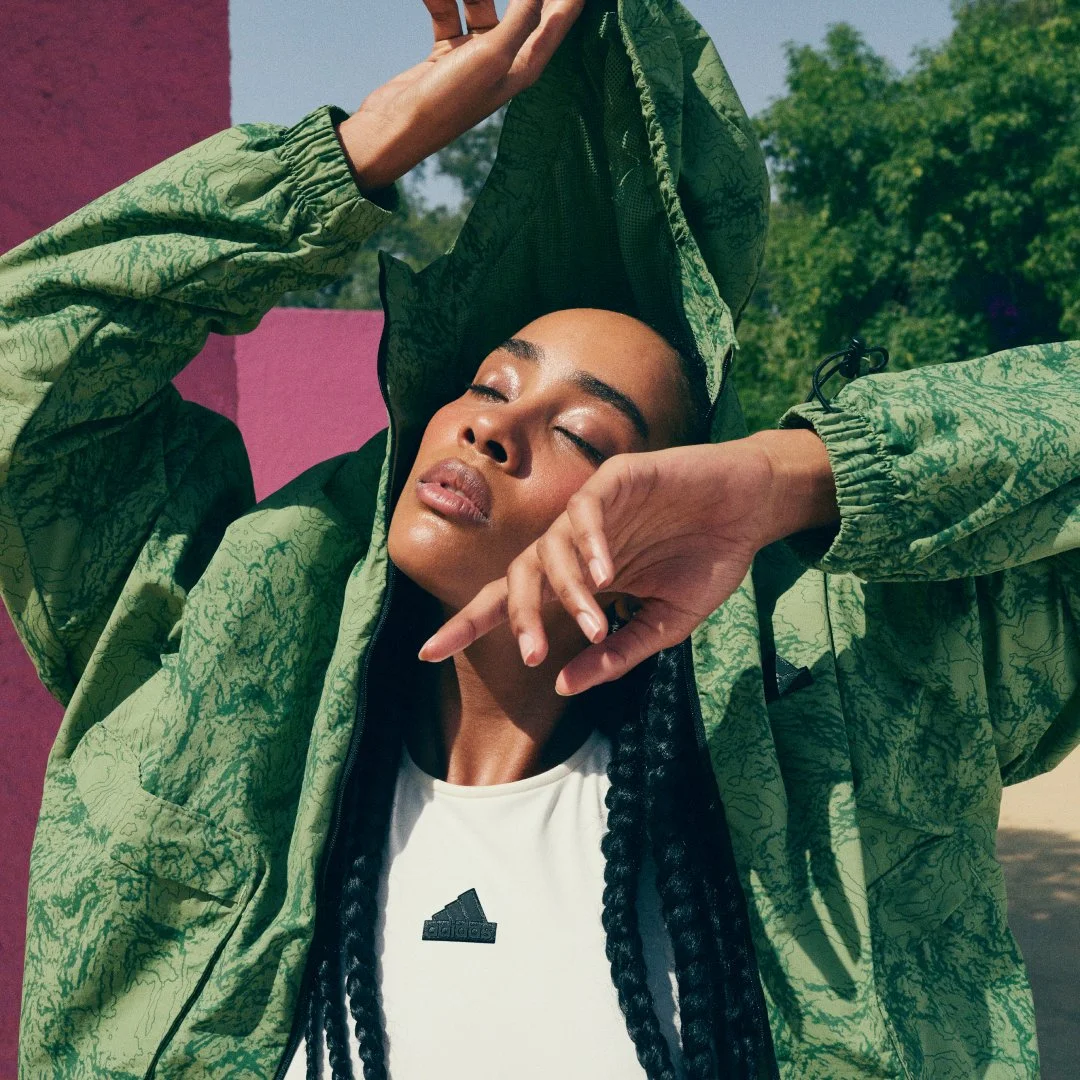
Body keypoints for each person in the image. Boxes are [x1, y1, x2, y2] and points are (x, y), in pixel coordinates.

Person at [1, 2, 1076, 1079]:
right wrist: (346, 159)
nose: (491, 427)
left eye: (580, 431)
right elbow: (25, 373)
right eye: (487, 383)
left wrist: (791, 475)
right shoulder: (221, 670)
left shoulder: (838, 722)